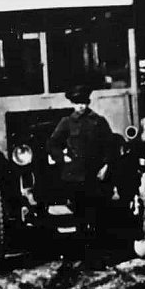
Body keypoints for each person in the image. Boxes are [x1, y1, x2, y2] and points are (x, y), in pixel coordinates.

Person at [47, 84, 115, 236]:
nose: (81, 106)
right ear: (73, 104)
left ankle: (97, 250)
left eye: (84, 103)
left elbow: (109, 145)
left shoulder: (98, 121)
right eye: (78, 103)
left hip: (95, 174)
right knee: (79, 213)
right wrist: (62, 159)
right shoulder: (67, 122)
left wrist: (105, 167)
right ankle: (83, 247)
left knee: (97, 212)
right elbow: (53, 143)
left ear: (88, 103)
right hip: (74, 176)